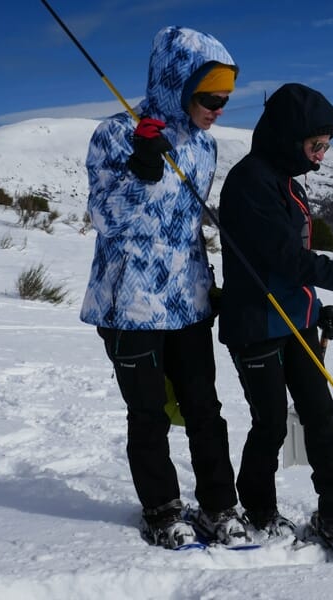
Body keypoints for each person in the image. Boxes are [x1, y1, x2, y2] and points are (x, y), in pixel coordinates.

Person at [217, 82, 333, 561]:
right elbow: (285, 260)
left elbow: (290, 260)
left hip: (294, 322)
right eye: (315, 145)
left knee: (322, 419)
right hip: (255, 324)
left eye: (326, 147)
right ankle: (259, 509)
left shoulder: (284, 181)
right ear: (288, 136)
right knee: (271, 424)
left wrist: (318, 310)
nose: (321, 156)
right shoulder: (250, 183)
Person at [80, 26, 248, 549]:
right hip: (130, 305)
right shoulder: (115, 134)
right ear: (176, 84)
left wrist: (213, 282)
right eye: (208, 97)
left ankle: (220, 505)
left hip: (188, 302)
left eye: (225, 98)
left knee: (204, 408)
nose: (218, 108)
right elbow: (106, 219)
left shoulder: (205, 146)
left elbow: (187, 225)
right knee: (148, 414)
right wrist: (142, 168)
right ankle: (161, 508)